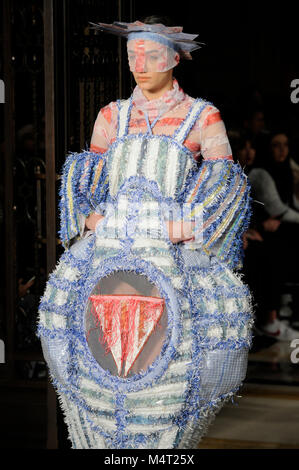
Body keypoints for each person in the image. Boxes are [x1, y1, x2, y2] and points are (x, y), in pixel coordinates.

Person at [37, 18, 254, 449]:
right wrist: (100, 225)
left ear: (175, 58)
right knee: (70, 323)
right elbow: (86, 187)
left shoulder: (200, 115)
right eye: (133, 56)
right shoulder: (111, 116)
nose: (141, 65)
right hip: (110, 251)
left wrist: (180, 229)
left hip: (171, 249)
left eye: (151, 56)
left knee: (185, 350)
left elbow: (224, 185)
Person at [247, 131, 299, 338]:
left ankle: (285, 310)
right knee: (278, 245)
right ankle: (273, 318)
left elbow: (291, 207)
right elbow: (276, 208)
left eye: (285, 145)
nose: (282, 150)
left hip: (272, 228)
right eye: (276, 145)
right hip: (257, 229)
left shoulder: (286, 171)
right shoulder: (261, 172)